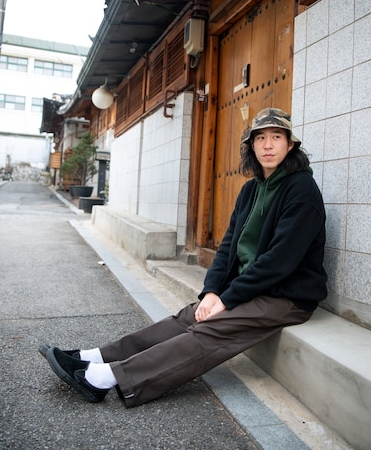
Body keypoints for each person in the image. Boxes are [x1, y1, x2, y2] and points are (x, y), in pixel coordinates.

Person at [39, 107, 327, 407]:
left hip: (286, 296)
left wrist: (227, 299)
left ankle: (105, 378)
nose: (268, 145)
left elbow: (281, 261)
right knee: (189, 316)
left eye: (276, 137)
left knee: (212, 327)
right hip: (251, 288)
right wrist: (213, 291)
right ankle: (96, 356)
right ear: (251, 145)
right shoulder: (251, 190)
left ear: (289, 144)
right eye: (261, 138)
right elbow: (228, 246)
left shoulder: (302, 190)